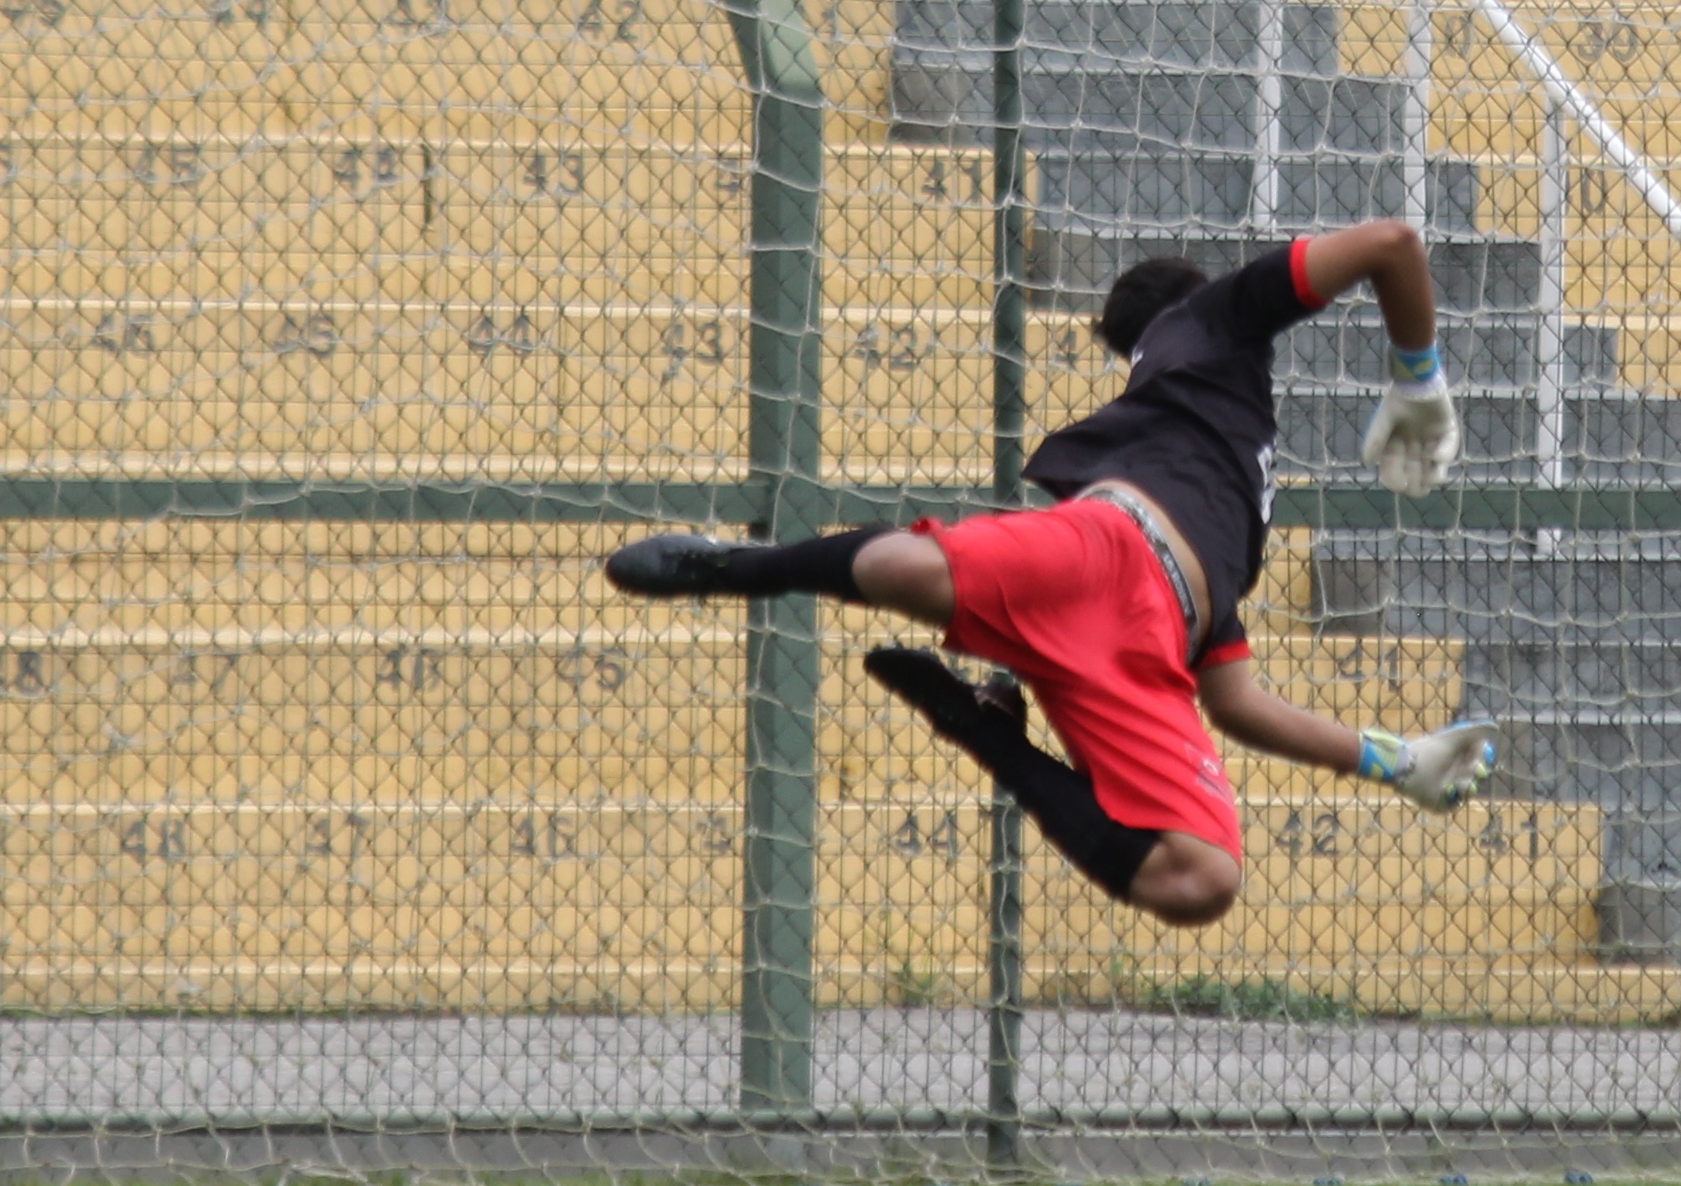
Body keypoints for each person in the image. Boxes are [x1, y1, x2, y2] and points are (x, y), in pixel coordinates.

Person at [601, 220, 1496, 919]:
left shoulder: (1213, 447)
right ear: (1187, 301)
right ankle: (733, 567)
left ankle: (987, 733)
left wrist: (1392, 760)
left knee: (1201, 878)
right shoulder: (1215, 319)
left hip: (1151, 640)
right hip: (1109, 548)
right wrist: (1419, 383)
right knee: (921, 569)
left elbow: (1233, 704)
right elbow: (1392, 244)